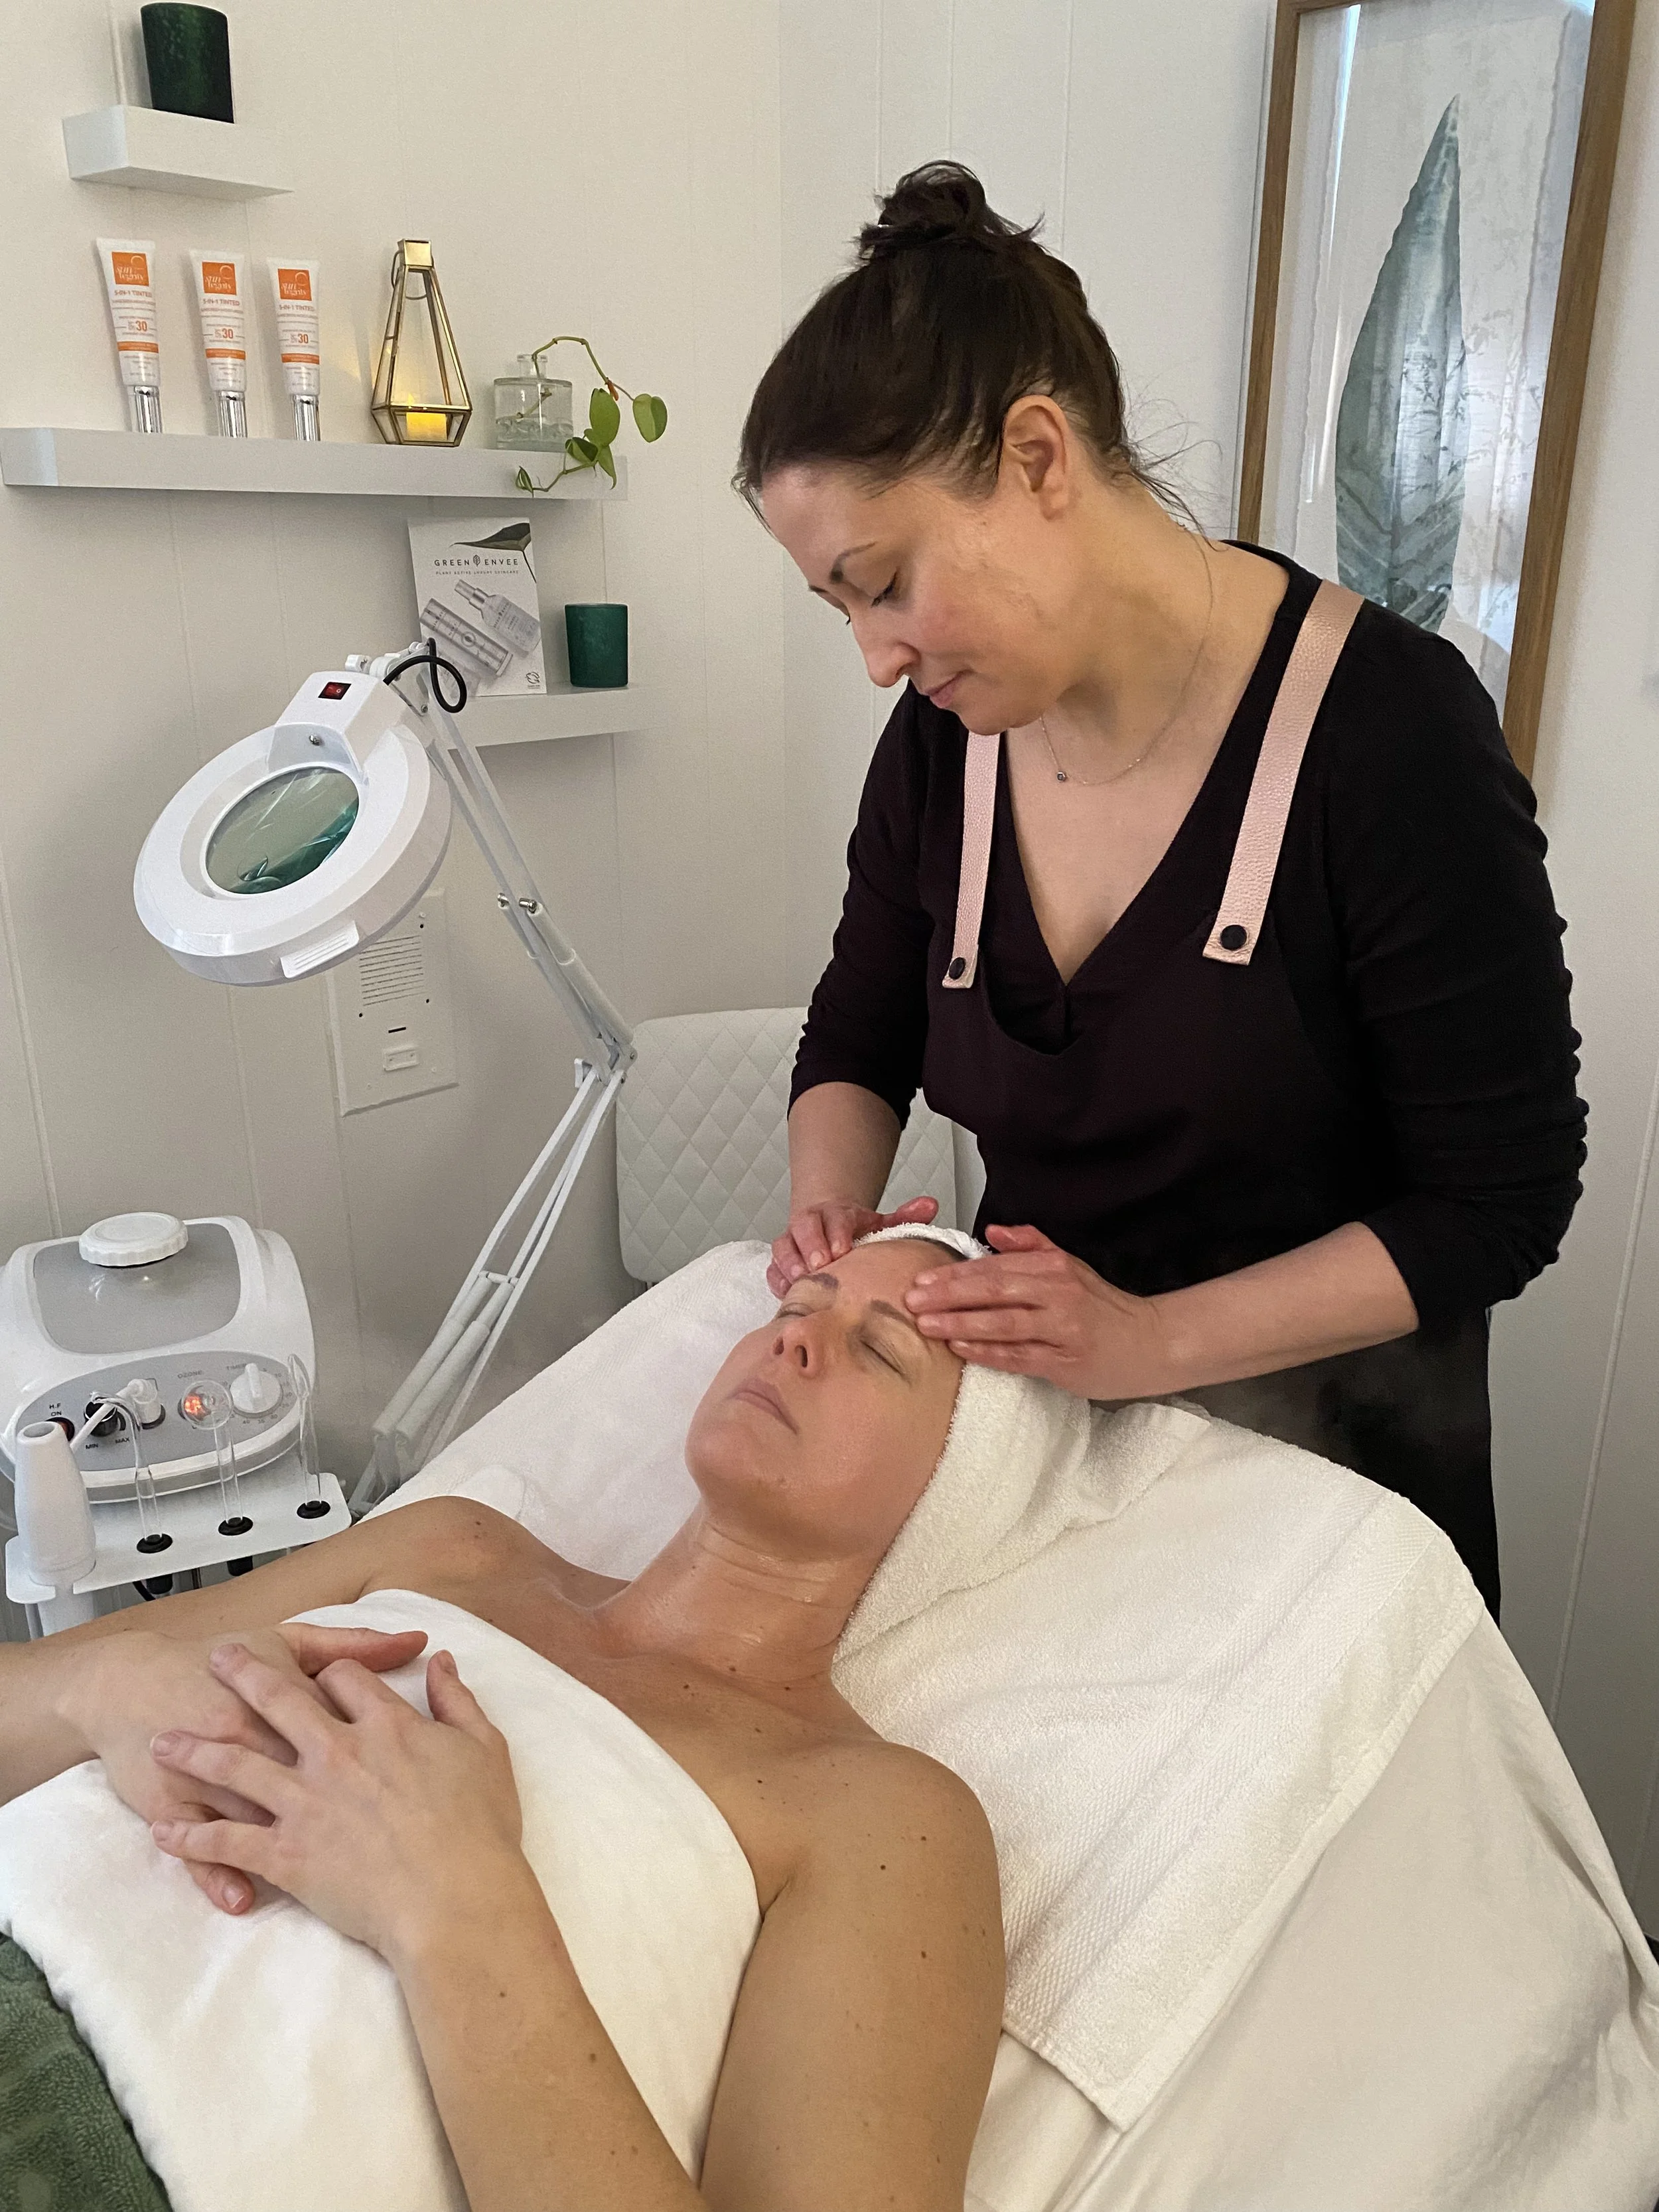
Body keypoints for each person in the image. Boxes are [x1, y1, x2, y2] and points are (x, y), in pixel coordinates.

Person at [737, 161, 1587, 1617]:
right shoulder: (944, 744)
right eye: (838, 608)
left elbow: (1499, 1200)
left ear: (1037, 457)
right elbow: (859, 1033)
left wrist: (1146, 1342)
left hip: (1328, 1506)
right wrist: (831, 1225)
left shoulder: (1385, 735)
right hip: (1041, 1456)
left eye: (881, 583)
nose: (875, 658)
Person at [0, 1236, 1002, 2212]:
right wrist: (106, 1681)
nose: (795, 1340)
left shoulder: (884, 1818)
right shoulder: (458, 1548)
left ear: (957, 1483)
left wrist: (450, 1904)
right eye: (794, 1306)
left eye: (878, 1350)